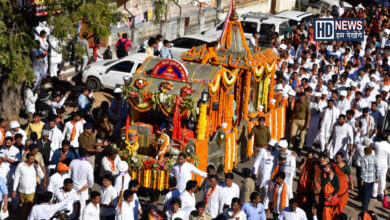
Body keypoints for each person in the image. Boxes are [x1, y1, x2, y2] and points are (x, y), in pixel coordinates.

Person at [13, 152, 44, 220]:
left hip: (31, 191)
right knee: (24, 207)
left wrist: (38, 167)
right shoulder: (20, 165)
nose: (33, 161)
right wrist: (14, 190)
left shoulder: (35, 166)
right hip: (21, 191)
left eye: (33, 159)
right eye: (31, 159)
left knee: (28, 208)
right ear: (27, 159)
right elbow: (16, 178)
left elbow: (42, 176)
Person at [252, 139, 278, 209]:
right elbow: (256, 162)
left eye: (273, 147)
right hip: (262, 175)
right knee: (261, 191)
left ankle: (266, 207)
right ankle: (261, 205)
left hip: (271, 177)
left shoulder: (277, 152)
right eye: (270, 146)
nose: (271, 148)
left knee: (268, 191)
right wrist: (254, 173)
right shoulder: (263, 151)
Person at [69, 147, 94, 216]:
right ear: (87, 155)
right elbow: (91, 179)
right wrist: (90, 186)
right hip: (84, 188)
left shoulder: (73, 162)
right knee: (82, 209)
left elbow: (69, 175)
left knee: (73, 206)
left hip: (74, 187)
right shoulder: (88, 165)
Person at [371, 134, 390, 201]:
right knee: (383, 180)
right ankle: (381, 195)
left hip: (377, 164)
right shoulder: (389, 146)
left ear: (380, 138)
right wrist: (389, 166)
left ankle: (374, 195)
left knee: (376, 179)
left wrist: (374, 134)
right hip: (384, 165)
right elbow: (389, 157)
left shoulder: (377, 144)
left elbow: (370, 143)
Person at [360, 147, 378, 211]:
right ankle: (366, 206)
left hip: (365, 179)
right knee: (369, 193)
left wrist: (361, 179)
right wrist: (377, 177)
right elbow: (377, 168)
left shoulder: (363, 158)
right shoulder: (374, 158)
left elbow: (363, 170)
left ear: (365, 151)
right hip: (372, 178)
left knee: (365, 193)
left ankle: (364, 208)